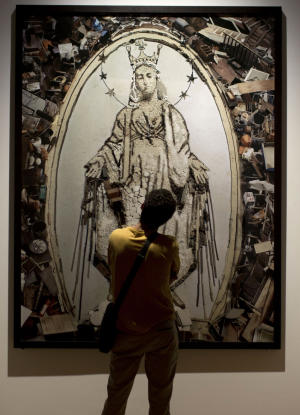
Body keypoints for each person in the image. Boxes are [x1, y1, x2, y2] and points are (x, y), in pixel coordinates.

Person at [80, 41, 212, 289]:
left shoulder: (170, 113)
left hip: (164, 172)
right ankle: (136, 277)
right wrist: (99, 159)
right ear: (134, 82)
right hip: (135, 175)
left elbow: (182, 145)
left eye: (148, 76)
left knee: (163, 223)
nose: (143, 82)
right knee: (135, 222)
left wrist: (193, 163)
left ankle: (160, 274)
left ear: (156, 78)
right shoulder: (126, 115)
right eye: (138, 77)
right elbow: (114, 144)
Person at [95, 188, 180, 415]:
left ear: (142, 206)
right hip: (160, 331)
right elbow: (171, 276)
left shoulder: (116, 239)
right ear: (168, 218)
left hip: (124, 331)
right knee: (160, 401)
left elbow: (114, 268)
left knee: (115, 397)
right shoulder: (169, 246)